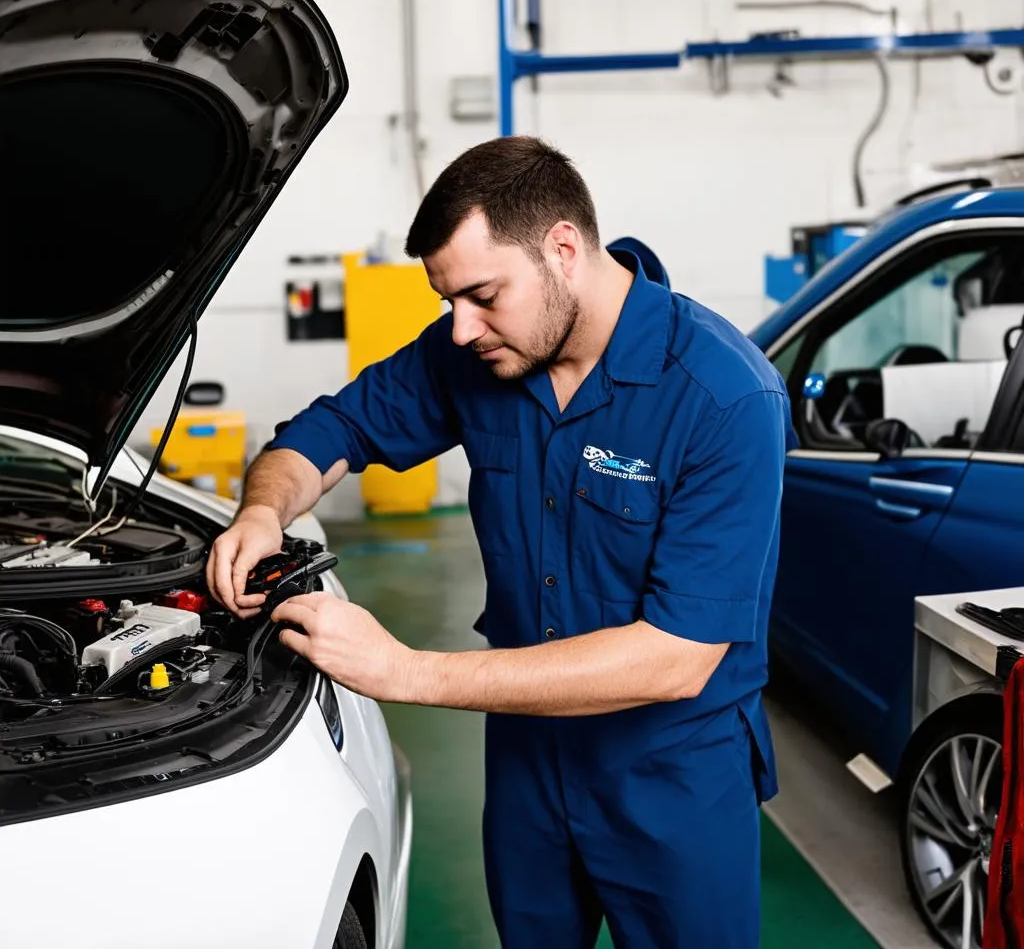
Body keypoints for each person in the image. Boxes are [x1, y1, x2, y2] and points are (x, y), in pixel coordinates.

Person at [207, 135, 796, 948]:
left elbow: (676, 655)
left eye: (482, 294)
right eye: (449, 300)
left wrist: (406, 671)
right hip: (528, 762)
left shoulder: (725, 396)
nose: (459, 329)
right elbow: (330, 429)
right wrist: (263, 512)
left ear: (562, 249)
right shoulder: (483, 354)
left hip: (673, 777)